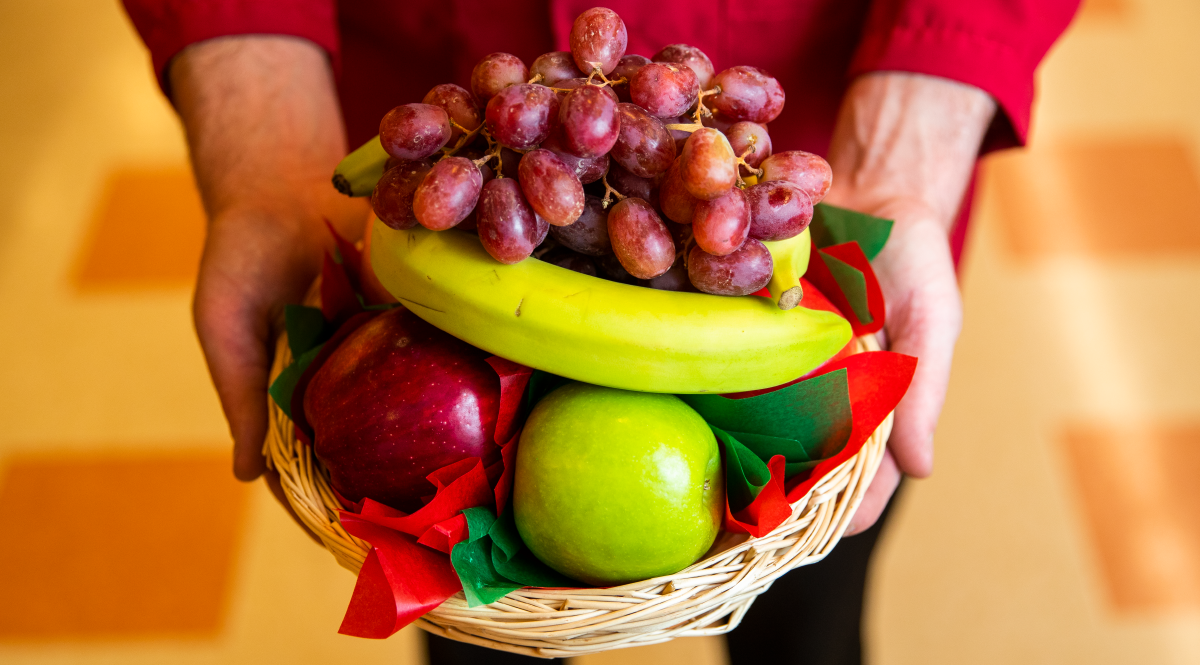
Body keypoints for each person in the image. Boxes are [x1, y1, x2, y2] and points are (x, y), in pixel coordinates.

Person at [122, 1, 1079, 662]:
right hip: (429, 172)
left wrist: (914, 132)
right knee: (473, 630)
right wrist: (262, 141)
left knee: (809, 621)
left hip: (810, 179)